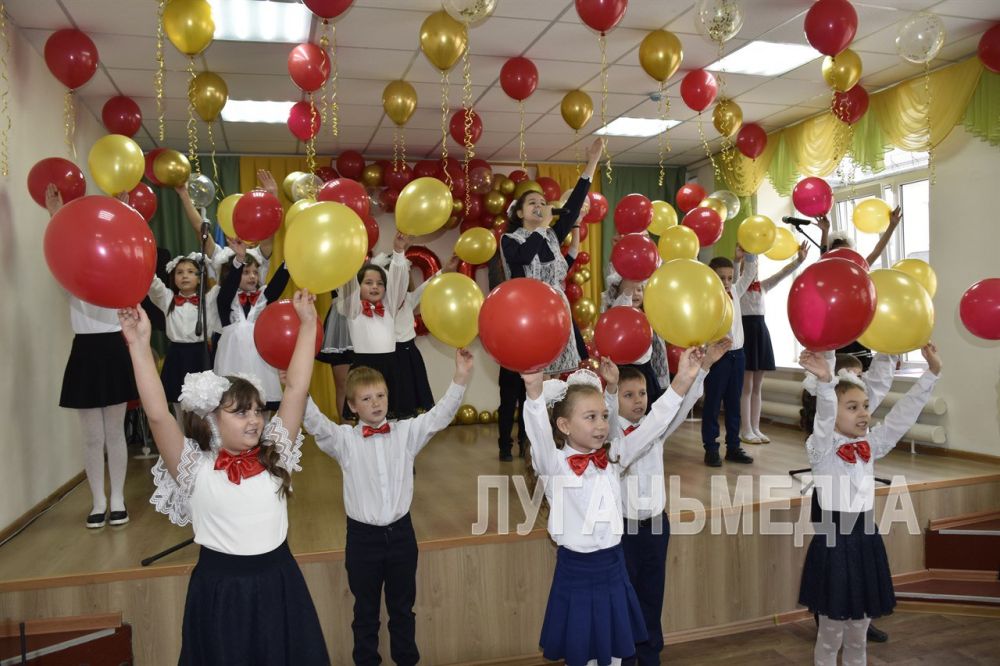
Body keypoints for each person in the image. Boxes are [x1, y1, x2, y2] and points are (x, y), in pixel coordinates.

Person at [121, 290, 329, 665]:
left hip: (278, 583)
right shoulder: (193, 468)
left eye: (257, 411)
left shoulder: (275, 455)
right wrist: (138, 344)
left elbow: (296, 389)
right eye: (241, 412)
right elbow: (158, 415)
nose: (255, 420)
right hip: (220, 592)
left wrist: (308, 324)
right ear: (212, 420)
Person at [520, 346, 704, 666]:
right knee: (585, 653)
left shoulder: (614, 456)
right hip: (578, 573)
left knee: (618, 651)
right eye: (590, 417)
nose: (602, 425)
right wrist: (534, 393)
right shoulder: (555, 466)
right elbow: (538, 436)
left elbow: (653, 424)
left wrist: (683, 381)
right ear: (564, 425)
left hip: (614, 568)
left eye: (604, 416)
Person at [301, 348, 474, 666]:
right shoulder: (345, 441)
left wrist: (460, 377)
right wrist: (297, 387)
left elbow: (439, 417)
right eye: (366, 399)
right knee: (365, 613)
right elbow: (316, 424)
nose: (376, 403)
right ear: (352, 406)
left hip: (401, 537)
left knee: (403, 610)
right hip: (362, 540)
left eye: (380, 395)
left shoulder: (405, 433)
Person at [797, 343, 941, 666]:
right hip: (834, 545)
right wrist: (825, 383)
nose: (863, 413)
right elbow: (824, 418)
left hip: (865, 543)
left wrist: (931, 374)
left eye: (864, 406)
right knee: (831, 634)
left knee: (858, 634)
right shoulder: (821, 448)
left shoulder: (869, 445)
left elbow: (901, 417)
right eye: (852, 407)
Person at [612, 339, 730, 666]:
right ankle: (625, 657)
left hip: (655, 526)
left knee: (652, 595)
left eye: (642, 393)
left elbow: (681, 404)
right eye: (628, 395)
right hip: (623, 531)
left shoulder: (656, 429)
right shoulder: (612, 438)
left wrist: (704, 367)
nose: (639, 400)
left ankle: (650, 656)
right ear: (613, 399)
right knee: (625, 598)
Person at [47, 185, 138, 528]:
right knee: (91, 436)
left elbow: (129, 248)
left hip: (113, 349)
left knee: (114, 432)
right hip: (84, 351)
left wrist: (124, 212)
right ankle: (98, 500)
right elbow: (60, 249)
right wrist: (55, 214)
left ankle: (118, 498)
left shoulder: (117, 272)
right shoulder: (72, 278)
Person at [800, 349, 899, 644]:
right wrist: (825, 381)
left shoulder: (867, 439)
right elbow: (825, 415)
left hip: (862, 530)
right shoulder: (823, 441)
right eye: (853, 376)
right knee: (833, 592)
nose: (859, 381)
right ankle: (830, 611)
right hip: (834, 520)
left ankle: (858, 617)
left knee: (858, 599)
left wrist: (891, 354)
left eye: (860, 377)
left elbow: (895, 413)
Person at [501, 138, 603, 376]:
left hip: (557, 311)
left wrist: (592, 162)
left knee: (562, 374)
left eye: (543, 202)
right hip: (529, 314)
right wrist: (543, 225)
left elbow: (575, 204)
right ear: (519, 213)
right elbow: (525, 256)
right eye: (532, 203)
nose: (540, 205)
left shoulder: (551, 236)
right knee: (536, 374)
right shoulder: (510, 240)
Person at [738, 241, 810, 444]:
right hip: (746, 335)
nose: (754, 269)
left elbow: (782, 274)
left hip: (760, 333)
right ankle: (745, 429)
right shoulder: (737, 287)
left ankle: (755, 427)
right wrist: (744, 257)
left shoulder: (762, 287)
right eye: (749, 265)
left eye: (756, 265)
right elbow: (737, 274)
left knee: (757, 386)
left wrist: (799, 261)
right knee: (746, 386)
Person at [815, 207, 902, 370]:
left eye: (849, 253)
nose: (846, 257)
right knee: (838, 375)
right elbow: (823, 255)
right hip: (836, 333)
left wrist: (892, 226)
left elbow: (877, 251)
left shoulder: (858, 270)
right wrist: (825, 231)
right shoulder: (828, 273)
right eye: (840, 253)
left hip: (857, 333)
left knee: (860, 374)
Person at [338, 232, 412, 419]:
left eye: (380, 283)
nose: (375, 287)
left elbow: (398, 282)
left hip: (390, 366)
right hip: (362, 368)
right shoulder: (353, 308)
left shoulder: (390, 307)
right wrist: (348, 257)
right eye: (368, 283)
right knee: (364, 416)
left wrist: (398, 251)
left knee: (392, 417)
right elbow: (348, 285)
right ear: (359, 286)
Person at [214, 240, 290, 412]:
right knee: (234, 404)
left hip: (260, 361)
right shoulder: (225, 298)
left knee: (263, 404)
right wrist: (239, 260)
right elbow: (230, 286)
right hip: (232, 360)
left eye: (255, 272)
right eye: (246, 272)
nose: (252, 276)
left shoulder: (263, 298)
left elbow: (277, 284)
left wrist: (289, 262)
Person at [702, 249, 757, 467]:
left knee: (734, 404)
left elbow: (749, 272)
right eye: (721, 278)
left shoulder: (735, 290)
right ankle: (711, 448)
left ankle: (733, 446)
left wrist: (749, 253)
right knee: (713, 403)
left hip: (738, 355)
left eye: (729, 277)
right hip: (718, 358)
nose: (726, 282)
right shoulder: (706, 299)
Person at [146, 252, 216, 425]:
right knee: (178, 405)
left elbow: (223, 282)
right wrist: (144, 262)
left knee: (203, 406)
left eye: (191, 272)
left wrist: (211, 264)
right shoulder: (168, 298)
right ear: (174, 278)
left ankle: (204, 440)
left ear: (200, 278)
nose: (185, 276)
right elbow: (153, 284)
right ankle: (181, 440)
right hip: (176, 355)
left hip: (200, 354)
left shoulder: (208, 300)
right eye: (180, 272)